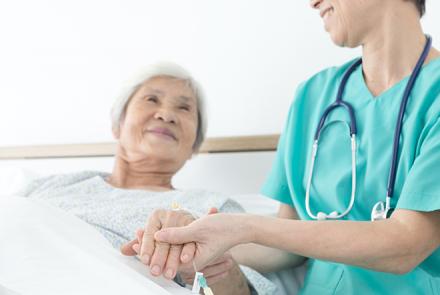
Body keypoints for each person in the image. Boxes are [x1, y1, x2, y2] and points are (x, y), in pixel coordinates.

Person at [146, 1, 440, 294]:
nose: (313, 2)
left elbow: (406, 244)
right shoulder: (313, 96)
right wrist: (193, 239)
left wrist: (243, 227)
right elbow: (286, 247)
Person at [20, 62, 277, 295]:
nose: (166, 115)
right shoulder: (50, 186)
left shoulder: (212, 207)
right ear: (117, 124)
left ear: (194, 147)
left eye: (184, 107)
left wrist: (207, 265)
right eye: (152, 99)